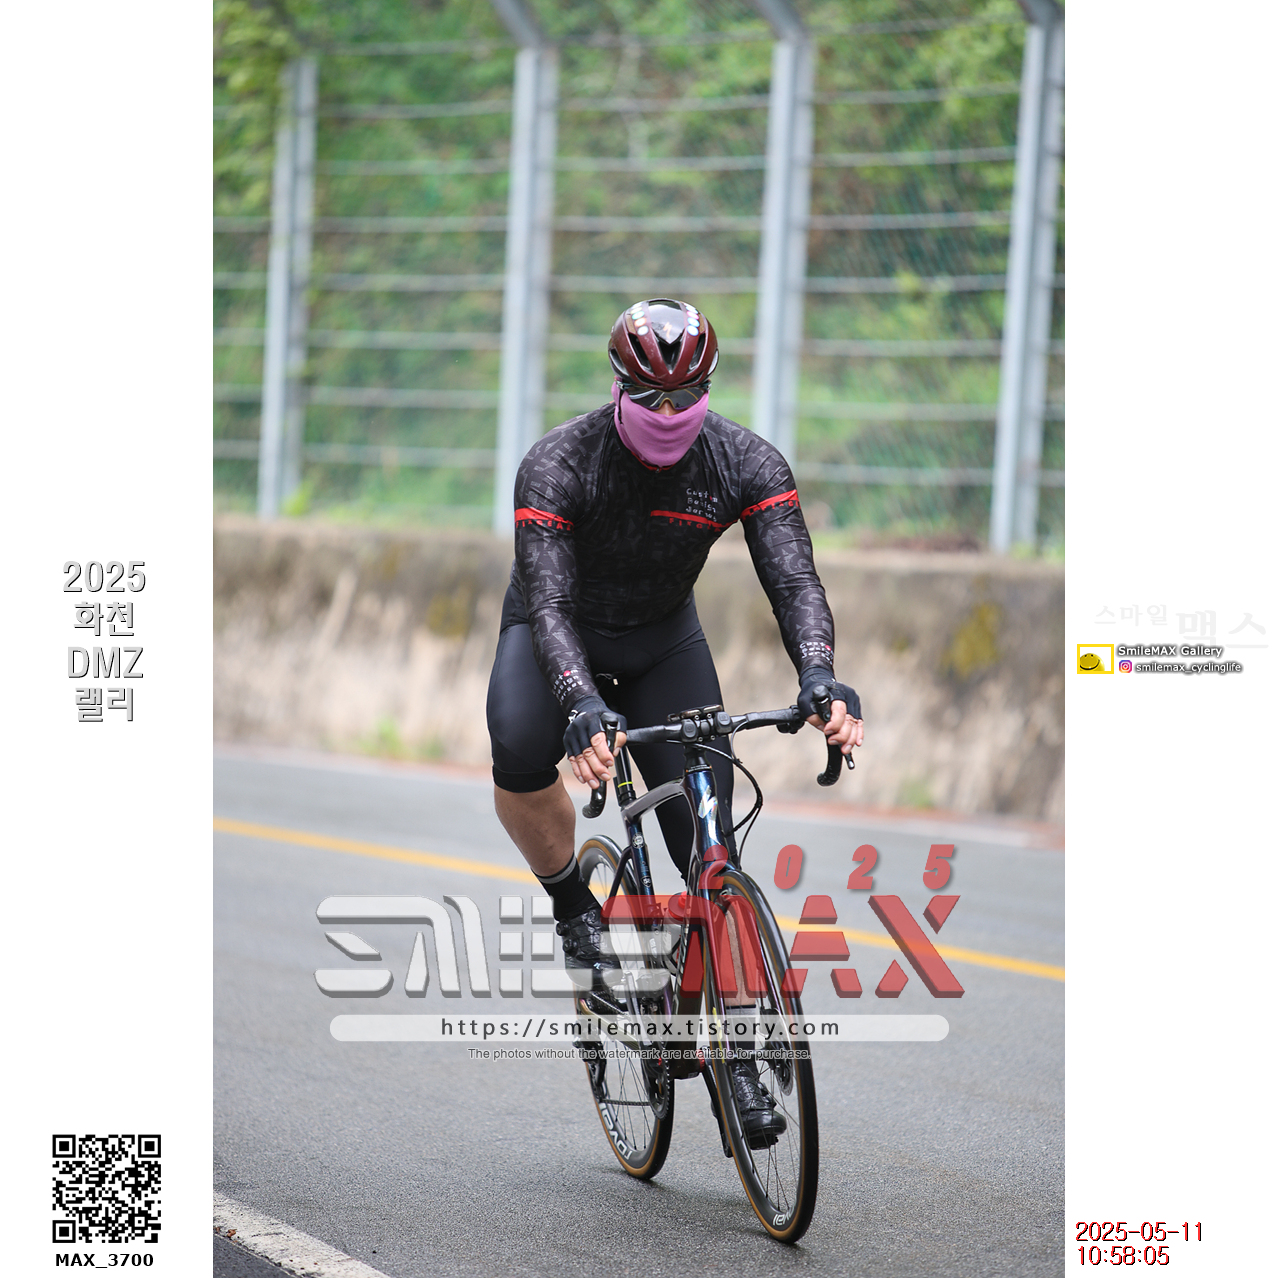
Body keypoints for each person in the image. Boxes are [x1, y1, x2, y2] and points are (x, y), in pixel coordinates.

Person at [485, 298, 863, 1142]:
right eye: (650, 397)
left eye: (685, 395)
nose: (667, 412)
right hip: (557, 632)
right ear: (617, 388)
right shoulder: (559, 463)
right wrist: (580, 701)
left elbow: (794, 581)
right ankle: (573, 906)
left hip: (664, 645)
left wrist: (819, 677)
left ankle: (738, 1042)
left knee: (711, 843)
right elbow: (549, 603)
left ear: (708, 387)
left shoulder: (745, 461)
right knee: (518, 739)